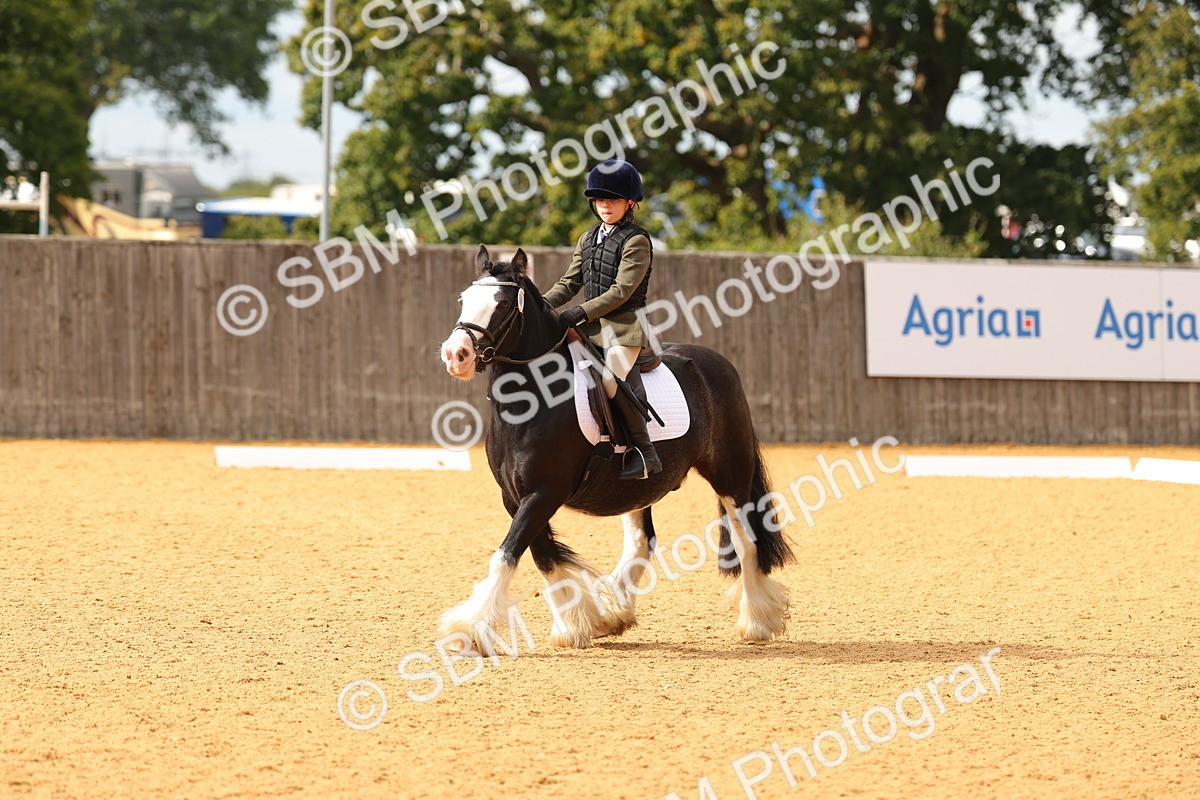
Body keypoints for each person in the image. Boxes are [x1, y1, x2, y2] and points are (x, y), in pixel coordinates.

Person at [542, 159, 662, 480]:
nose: (605, 205)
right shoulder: (587, 238)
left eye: (613, 200)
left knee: (610, 380)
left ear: (630, 203)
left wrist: (579, 312)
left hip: (625, 329)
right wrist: (538, 305)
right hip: (590, 329)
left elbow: (622, 291)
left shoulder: (636, 241)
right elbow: (569, 283)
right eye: (600, 200)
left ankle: (645, 452)